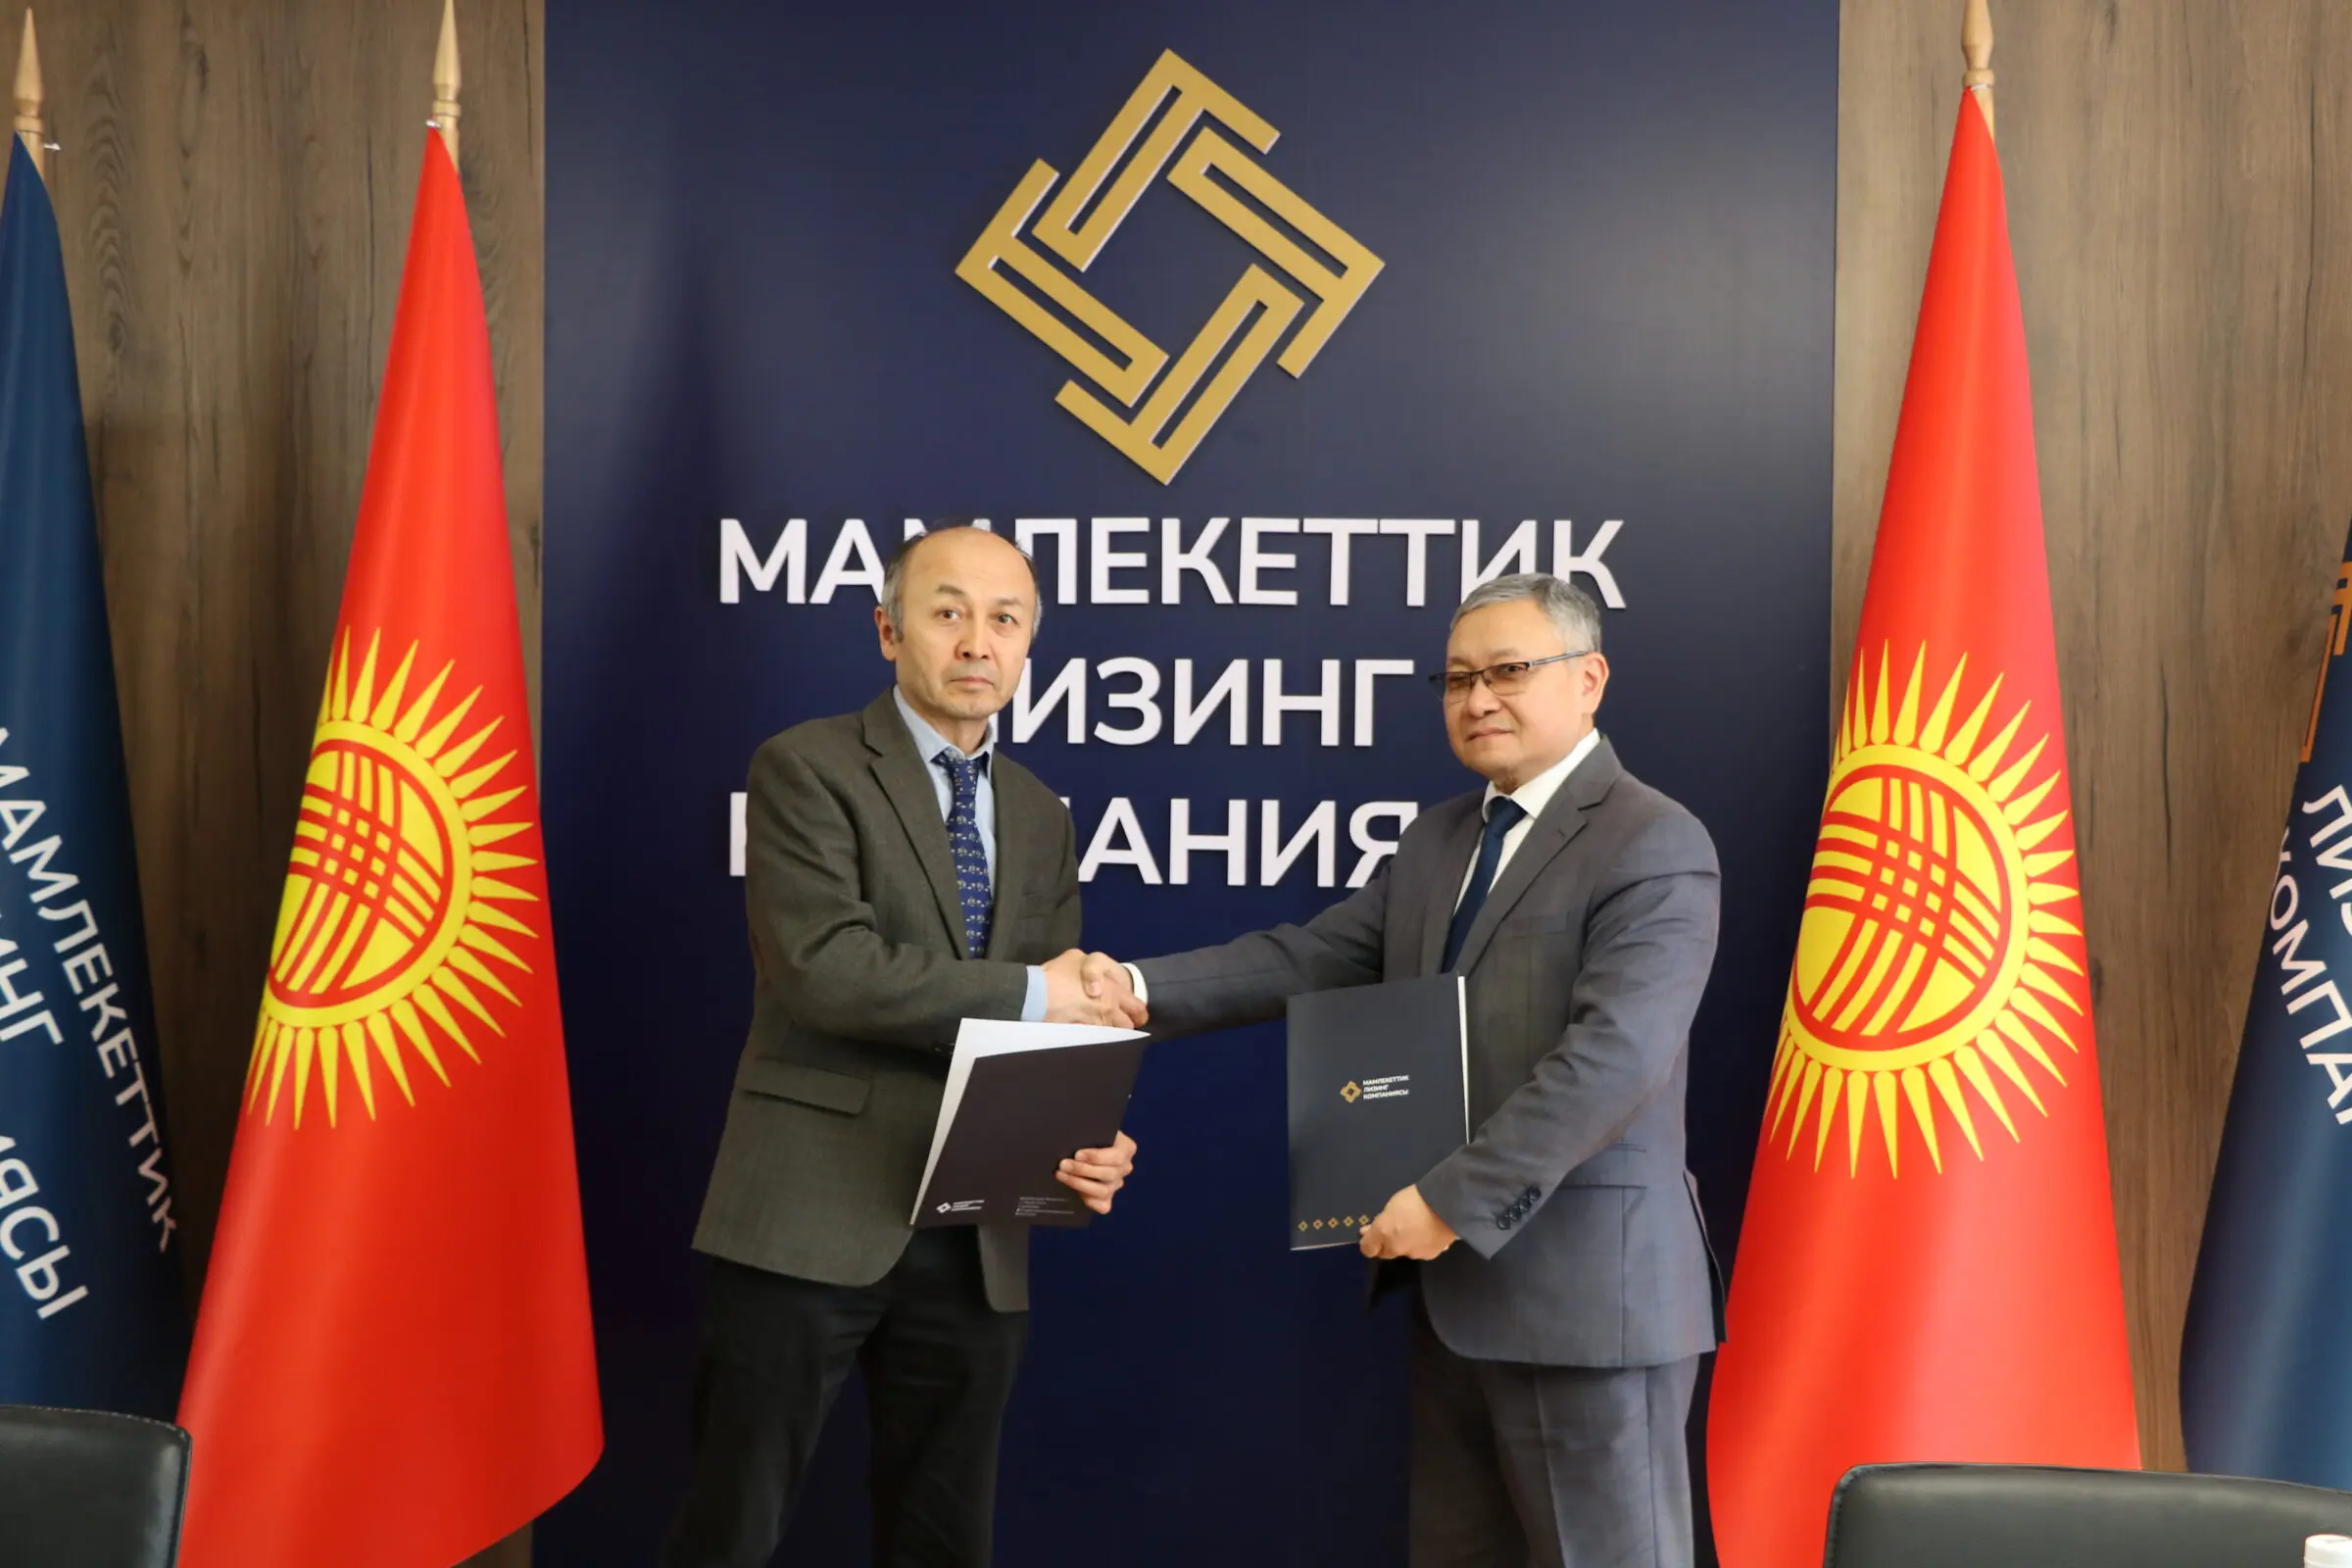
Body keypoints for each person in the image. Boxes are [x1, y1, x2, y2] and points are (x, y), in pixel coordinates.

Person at [1084, 572, 1722, 1568]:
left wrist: (1449, 1200)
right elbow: (1311, 957)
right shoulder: (1439, 839)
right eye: (1458, 679)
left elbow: (1613, 1060)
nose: (1478, 699)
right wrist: (1129, 987)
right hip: (1451, 1299)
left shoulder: (1653, 839)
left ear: (1589, 679)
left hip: (1589, 1304)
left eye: (1508, 671)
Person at [662, 520, 1150, 1568]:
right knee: (730, 1529)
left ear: (1028, 645)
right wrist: (1035, 990)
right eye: (948, 612)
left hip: (977, 1231)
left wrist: (1083, 1136)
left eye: (1005, 619)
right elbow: (826, 969)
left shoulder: (1041, 813)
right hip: (809, 1214)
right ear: (889, 631)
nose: (978, 641)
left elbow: (1054, 1028)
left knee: (944, 1537)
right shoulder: (806, 766)